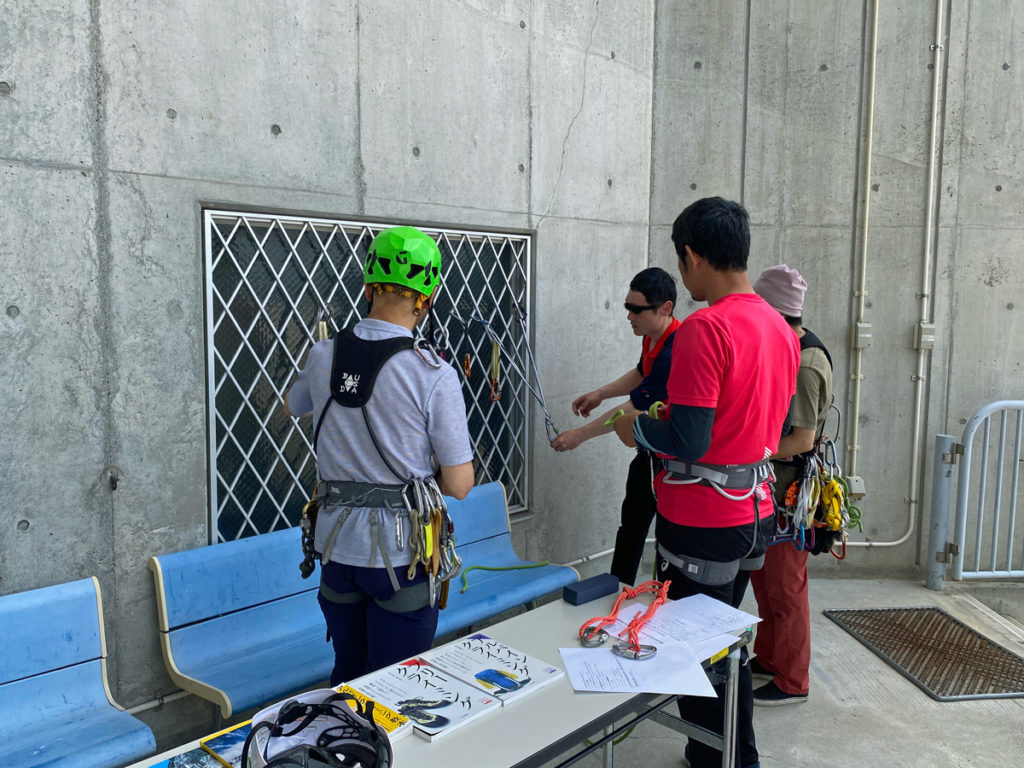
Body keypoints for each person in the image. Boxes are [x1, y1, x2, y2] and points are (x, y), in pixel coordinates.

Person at [611, 197, 800, 768]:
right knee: (724, 645)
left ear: (692, 256)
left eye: (680, 259)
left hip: (703, 519)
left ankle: (728, 758)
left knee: (699, 657)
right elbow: (758, 420)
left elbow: (689, 441)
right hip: (754, 511)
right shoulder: (780, 328)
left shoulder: (705, 328)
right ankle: (718, 755)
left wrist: (636, 428)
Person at [286, 226, 475, 686]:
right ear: (427, 299)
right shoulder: (433, 373)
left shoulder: (323, 354)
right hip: (401, 554)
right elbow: (459, 484)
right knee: (397, 688)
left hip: (336, 549)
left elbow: (294, 405)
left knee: (348, 677)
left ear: (368, 288)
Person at [551, 267, 681, 585]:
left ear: (665, 308)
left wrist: (579, 435)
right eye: (627, 306)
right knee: (631, 527)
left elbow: (633, 408)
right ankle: (616, 592)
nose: (629, 316)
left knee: (671, 540)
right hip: (649, 454)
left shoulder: (676, 348)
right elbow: (641, 373)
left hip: (675, 463)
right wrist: (600, 393)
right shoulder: (653, 337)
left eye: (637, 310)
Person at [748, 264, 834, 706]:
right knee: (765, 580)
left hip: (790, 490)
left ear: (774, 312)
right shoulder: (789, 348)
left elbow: (802, 439)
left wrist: (749, 451)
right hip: (773, 485)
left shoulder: (805, 364)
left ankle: (793, 679)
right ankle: (768, 657)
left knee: (785, 587)